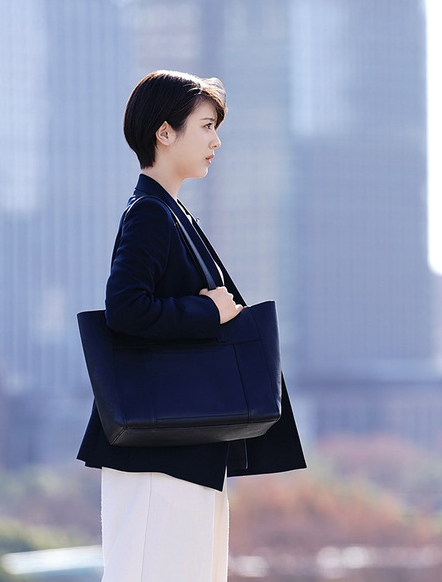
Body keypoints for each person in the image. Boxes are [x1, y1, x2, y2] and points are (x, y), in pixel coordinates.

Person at [77, 70, 306, 581]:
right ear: (165, 133)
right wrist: (210, 311)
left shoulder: (169, 210)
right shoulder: (151, 214)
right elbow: (126, 308)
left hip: (180, 448)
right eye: (205, 126)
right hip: (158, 454)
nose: (215, 140)